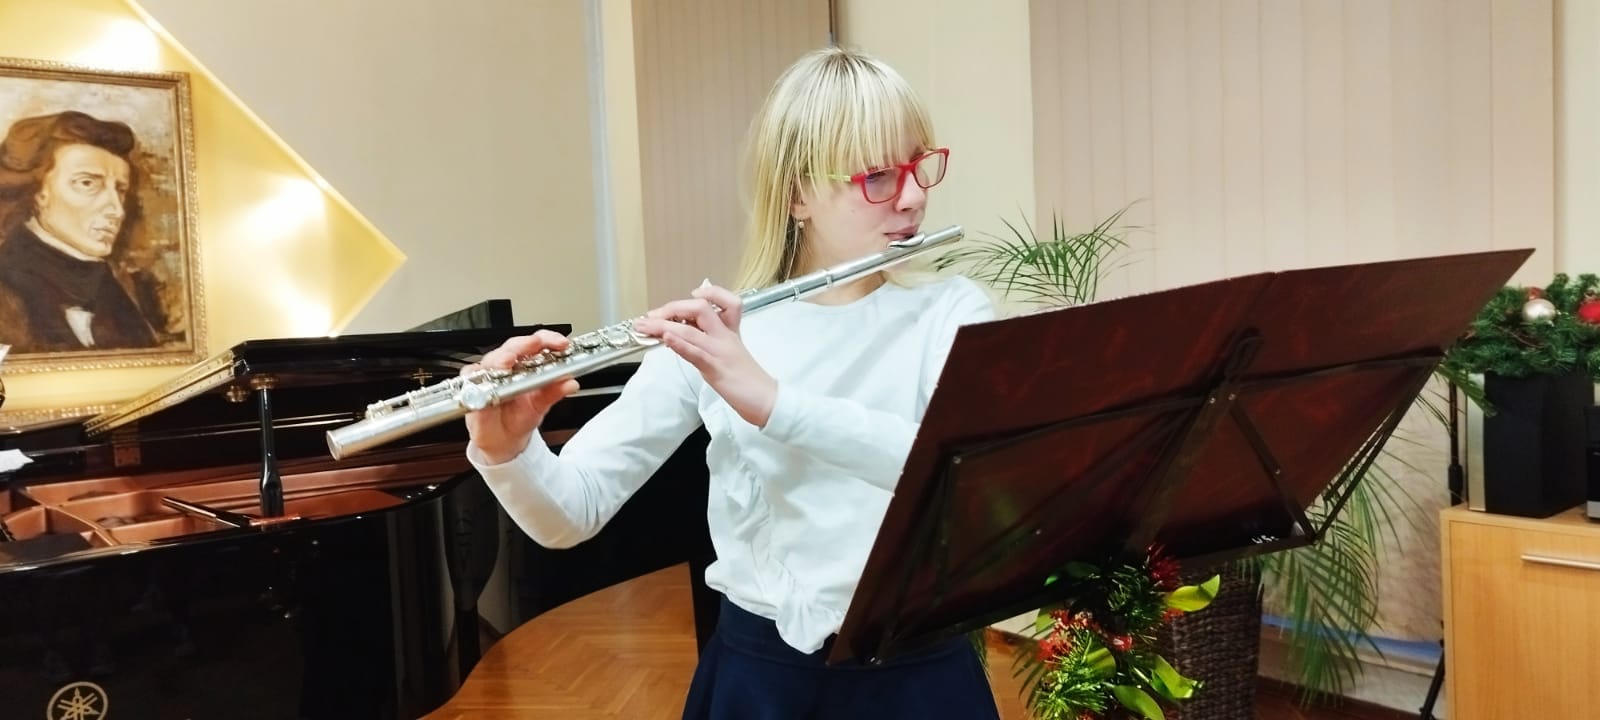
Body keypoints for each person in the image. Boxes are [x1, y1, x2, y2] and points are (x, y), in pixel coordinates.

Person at [465, 46, 1001, 719]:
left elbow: (955, 471)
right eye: (879, 177)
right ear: (798, 194)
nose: (915, 196)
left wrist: (774, 402)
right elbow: (571, 513)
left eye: (921, 165)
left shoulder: (953, 312)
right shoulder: (715, 337)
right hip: (763, 683)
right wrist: (508, 451)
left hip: (923, 678)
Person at [0, 110, 157, 353]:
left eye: (120, 190)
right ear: (38, 193)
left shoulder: (122, 293)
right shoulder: (6, 287)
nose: (116, 211)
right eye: (87, 183)